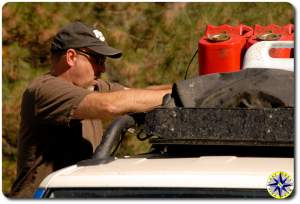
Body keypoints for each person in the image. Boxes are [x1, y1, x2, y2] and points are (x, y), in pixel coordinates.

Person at [10, 21, 172, 198]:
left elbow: (137, 94)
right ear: (71, 57)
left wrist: (190, 89)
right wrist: (180, 95)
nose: (102, 68)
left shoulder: (91, 87)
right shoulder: (44, 90)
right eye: (97, 59)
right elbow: (111, 105)